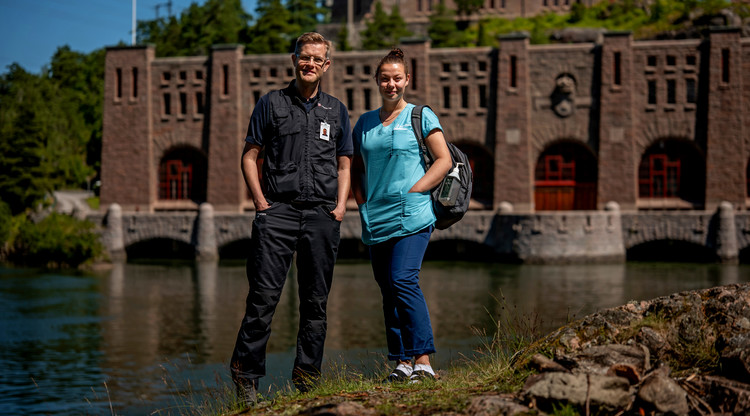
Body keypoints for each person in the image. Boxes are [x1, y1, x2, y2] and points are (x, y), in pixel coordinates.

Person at [230, 32, 353, 405]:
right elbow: (250, 155)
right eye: (305, 57)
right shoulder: (270, 104)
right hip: (277, 214)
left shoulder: (337, 110)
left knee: (315, 303)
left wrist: (341, 207)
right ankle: (247, 380)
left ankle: (306, 382)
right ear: (294, 59)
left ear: (327, 65)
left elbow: (345, 162)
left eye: (318, 59)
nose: (310, 64)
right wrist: (260, 203)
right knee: (263, 300)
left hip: (321, 215)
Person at [351, 48, 452, 383]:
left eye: (397, 78)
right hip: (376, 218)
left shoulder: (421, 115)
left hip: (413, 215)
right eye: (385, 78)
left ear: (407, 80)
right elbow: (355, 169)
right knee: (387, 289)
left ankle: (423, 360)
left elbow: (444, 160)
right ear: (377, 82)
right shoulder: (364, 123)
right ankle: (402, 361)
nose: (390, 84)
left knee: (403, 280)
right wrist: (361, 203)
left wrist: (416, 190)